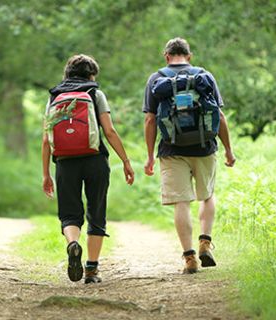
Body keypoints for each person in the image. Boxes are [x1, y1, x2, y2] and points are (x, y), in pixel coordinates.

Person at [143, 38, 236, 274]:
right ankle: (205, 241)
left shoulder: (156, 79)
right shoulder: (204, 76)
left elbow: (150, 120)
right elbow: (220, 116)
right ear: (189, 56)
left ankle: (189, 258)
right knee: (207, 195)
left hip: (172, 150)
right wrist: (228, 149)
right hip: (204, 147)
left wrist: (150, 156)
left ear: (166, 56)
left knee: (181, 202)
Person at [42, 54, 134, 284]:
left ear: (67, 73)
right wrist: (125, 161)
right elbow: (109, 131)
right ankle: (92, 269)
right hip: (95, 160)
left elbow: (46, 139)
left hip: (64, 162)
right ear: (92, 74)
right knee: (96, 211)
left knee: (70, 213)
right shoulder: (95, 94)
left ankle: (73, 244)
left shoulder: (55, 96)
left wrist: (46, 173)